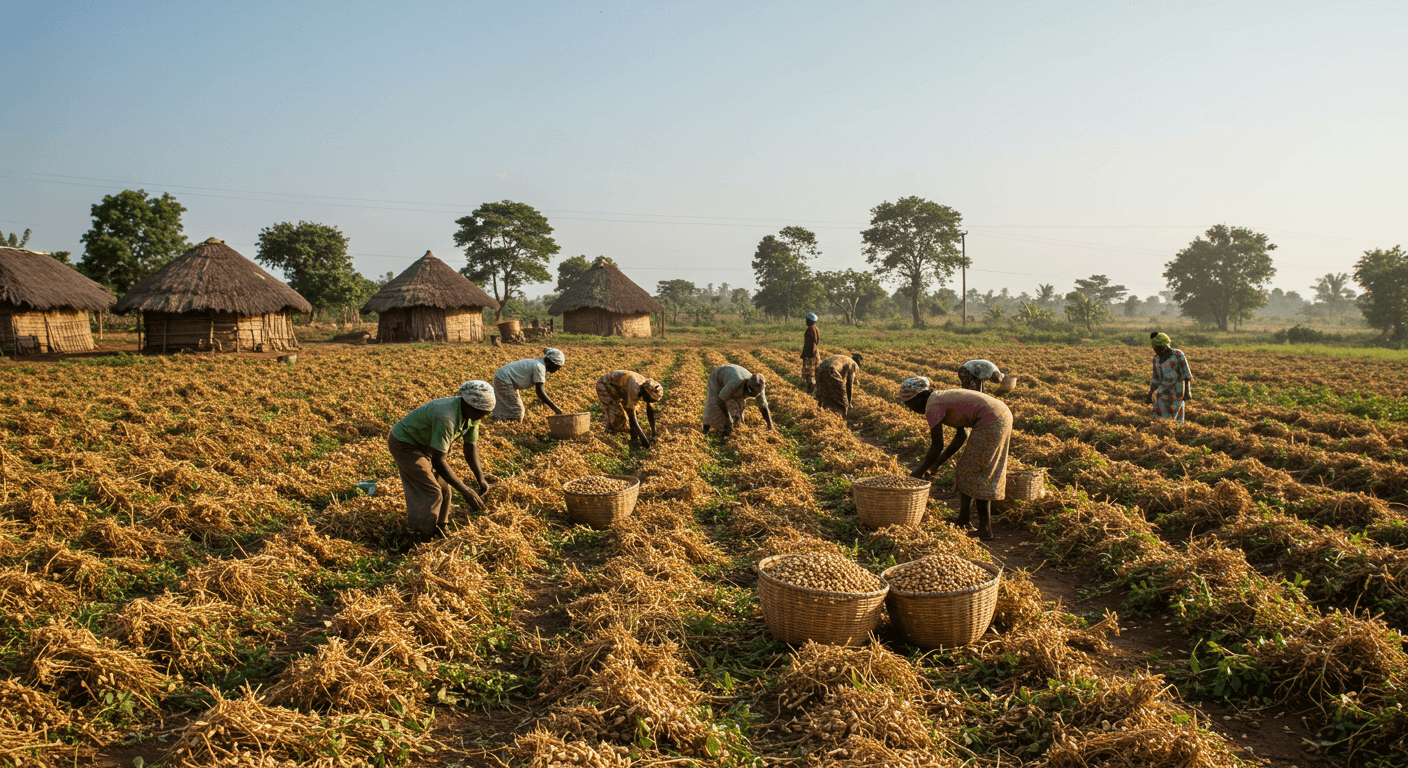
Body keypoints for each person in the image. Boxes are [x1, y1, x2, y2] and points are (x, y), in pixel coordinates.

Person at [899, 376, 1012, 541]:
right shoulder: (941, 398)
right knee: (965, 468)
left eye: (909, 403)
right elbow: (961, 435)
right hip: (999, 414)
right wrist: (936, 465)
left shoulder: (932, 405)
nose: (910, 408)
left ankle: (984, 529)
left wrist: (918, 472)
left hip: (992, 420)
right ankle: (963, 521)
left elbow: (937, 444)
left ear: (920, 396)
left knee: (979, 473)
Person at [388, 380, 495, 537]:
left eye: (487, 412)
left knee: (445, 488)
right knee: (431, 491)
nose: (484, 416)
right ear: (468, 404)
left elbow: (470, 446)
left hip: (426, 445)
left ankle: (440, 527)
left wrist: (481, 479)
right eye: (481, 411)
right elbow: (439, 461)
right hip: (406, 443)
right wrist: (465, 491)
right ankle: (421, 535)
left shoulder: (474, 416)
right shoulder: (447, 417)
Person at [492, 348, 565, 421]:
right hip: (504, 379)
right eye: (556, 366)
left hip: (502, 376)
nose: (557, 369)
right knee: (517, 410)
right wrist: (555, 408)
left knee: (505, 406)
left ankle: (499, 423)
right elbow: (540, 391)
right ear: (549, 361)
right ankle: (511, 428)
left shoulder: (539, 364)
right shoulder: (539, 367)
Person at [702, 364, 774, 437]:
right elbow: (720, 400)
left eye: (756, 394)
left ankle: (737, 429)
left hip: (733, 379)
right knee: (713, 403)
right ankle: (705, 431)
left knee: (740, 408)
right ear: (748, 386)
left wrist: (770, 425)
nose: (754, 395)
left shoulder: (759, 387)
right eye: (752, 393)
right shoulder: (735, 383)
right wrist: (727, 418)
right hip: (718, 377)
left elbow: (763, 407)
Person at [596, 370, 663, 448]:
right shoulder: (634, 389)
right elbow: (632, 417)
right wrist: (644, 439)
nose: (648, 401)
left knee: (630, 412)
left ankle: (632, 438)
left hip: (620, 388)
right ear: (645, 393)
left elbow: (650, 410)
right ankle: (609, 433)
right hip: (605, 386)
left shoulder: (647, 386)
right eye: (649, 399)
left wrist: (654, 433)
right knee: (618, 414)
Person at [1147, 332, 1192, 421]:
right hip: (1162, 392)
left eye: (1159, 348)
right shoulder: (1156, 359)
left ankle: (1175, 432)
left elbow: (1186, 375)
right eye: (1155, 349)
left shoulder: (1178, 355)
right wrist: (1150, 393)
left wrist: (1187, 392)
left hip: (1177, 390)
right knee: (1160, 416)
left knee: (1175, 417)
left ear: (1166, 346)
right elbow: (1155, 379)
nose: (1157, 351)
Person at [814, 353, 864, 417]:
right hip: (831, 370)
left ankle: (818, 413)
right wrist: (849, 403)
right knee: (841, 400)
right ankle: (840, 418)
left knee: (822, 394)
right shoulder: (854, 365)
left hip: (819, 369)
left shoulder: (845, 359)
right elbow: (849, 384)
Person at [801, 313, 821, 394]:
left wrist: (805, 355)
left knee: (809, 373)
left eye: (807, 320)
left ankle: (809, 391)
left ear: (810, 321)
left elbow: (809, 344)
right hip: (815, 352)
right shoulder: (816, 328)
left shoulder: (810, 330)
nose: (806, 321)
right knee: (813, 372)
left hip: (810, 353)